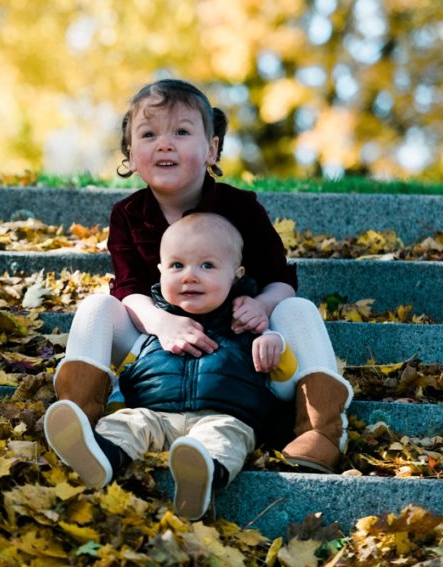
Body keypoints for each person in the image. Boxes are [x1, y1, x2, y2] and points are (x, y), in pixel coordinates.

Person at [47, 78, 353, 474]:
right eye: (149, 134)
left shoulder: (241, 209)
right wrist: (163, 323)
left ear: (211, 149)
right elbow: (129, 289)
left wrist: (260, 306)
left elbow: (280, 277)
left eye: (181, 132)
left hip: (245, 351)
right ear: (131, 153)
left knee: (297, 308)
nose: (164, 143)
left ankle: (321, 432)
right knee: (97, 306)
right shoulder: (128, 214)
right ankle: (85, 426)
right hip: (156, 348)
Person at [46, 213, 296, 519]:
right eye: (177, 266)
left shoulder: (249, 322)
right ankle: (99, 456)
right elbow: (127, 372)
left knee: (223, 439)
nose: (189, 276)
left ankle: (203, 476)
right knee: (128, 424)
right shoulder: (154, 327)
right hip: (156, 415)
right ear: (161, 272)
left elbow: (284, 375)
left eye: (207, 265)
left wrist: (274, 343)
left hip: (224, 415)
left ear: (236, 274)